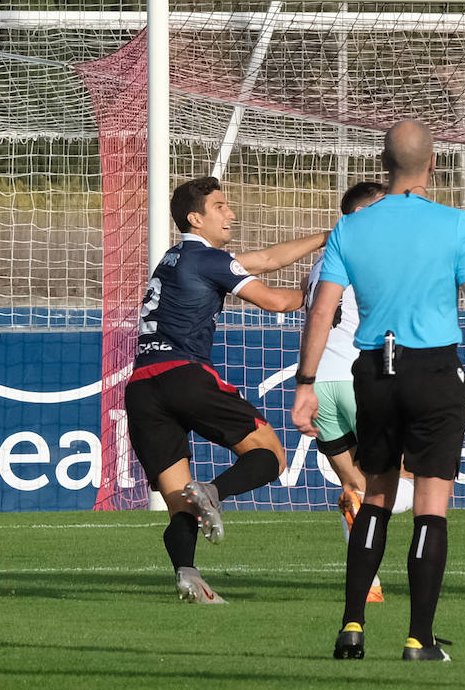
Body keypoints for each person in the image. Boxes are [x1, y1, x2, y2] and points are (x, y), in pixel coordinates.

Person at [290, 120, 465, 662]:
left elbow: (321, 309)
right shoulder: (456, 225)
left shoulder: (351, 228)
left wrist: (305, 384)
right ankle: (418, 638)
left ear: (383, 164)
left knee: (374, 497)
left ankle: (352, 626)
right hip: (433, 369)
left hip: (372, 371)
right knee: (430, 504)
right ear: (433, 164)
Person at [124, 176, 327, 603]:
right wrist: (330, 300)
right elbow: (275, 301)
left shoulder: (175, 258)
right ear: (196, 218)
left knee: (180, 501)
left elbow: (266, 259)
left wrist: (327, 236)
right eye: (221, 206)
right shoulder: (209, 259)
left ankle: (187, 575)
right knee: (270, 455)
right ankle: (215, 492)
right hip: (184, 374)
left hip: (142, 385)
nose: (231, 214)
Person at [292, 180, 395, 605]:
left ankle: (368, 583)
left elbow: (314, 309)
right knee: (408, 480)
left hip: (324, 384)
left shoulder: (320, 263)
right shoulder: (376, 252)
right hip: (361, 378)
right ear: (366, 214)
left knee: (353, 484)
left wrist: (305, 382)